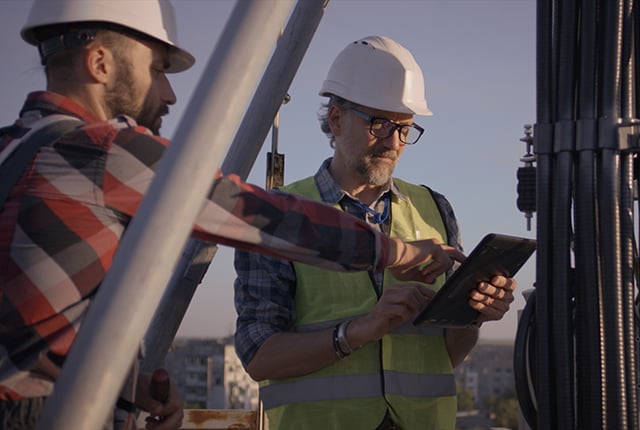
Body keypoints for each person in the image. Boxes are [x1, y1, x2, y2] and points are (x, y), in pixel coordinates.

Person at [0, 3, 462, 430]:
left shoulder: (11, 150)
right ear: (99, 63)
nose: (169, 93)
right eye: (157, 69)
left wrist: (126, 389)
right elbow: (262, 218)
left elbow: (20, 322)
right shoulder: (107, 152)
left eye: (404, 127)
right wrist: (394, 253)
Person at [233, 35, 517, 430]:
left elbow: (444, 355)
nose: (393, 142)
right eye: (380, 124)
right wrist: (357, 332)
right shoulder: (280, 215)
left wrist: (473, 316)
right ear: (335, 118)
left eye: (405, 129)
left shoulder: (435, 209)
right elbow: (259, 355)